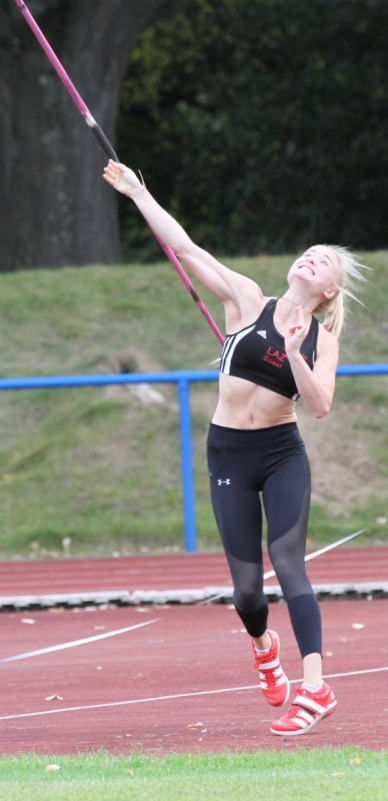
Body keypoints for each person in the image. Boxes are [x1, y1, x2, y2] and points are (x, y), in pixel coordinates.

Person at [104, 160, 366, 736]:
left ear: (328, 290)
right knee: (247, 591)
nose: (310, 257)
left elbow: (319, 405)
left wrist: (295, 352)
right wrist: (139, 194)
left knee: (289, 565)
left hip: (280, 454)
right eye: (310, 250)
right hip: (228, 453)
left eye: (322, 261)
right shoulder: (248, 300)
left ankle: (317, 688)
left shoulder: (323, 339)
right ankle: (264, 647)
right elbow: (185, 247)